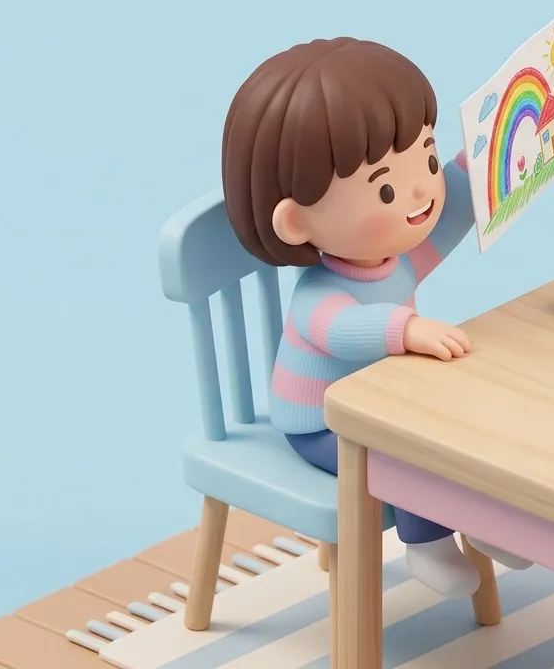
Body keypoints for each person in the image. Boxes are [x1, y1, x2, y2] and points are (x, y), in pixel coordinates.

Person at [222, 38, 530, 599]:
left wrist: (493, 152)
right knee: (410, 452)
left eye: (429, 160)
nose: (421, 190)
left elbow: (452, 209)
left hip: (383, 403)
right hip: (320, 423)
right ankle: (427, 541)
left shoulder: (398, 263)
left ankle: (489, 525)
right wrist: (407, 329)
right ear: (295, 223)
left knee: (463, 430)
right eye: (385, 186)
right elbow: (343, 330)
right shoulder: (318, 296)